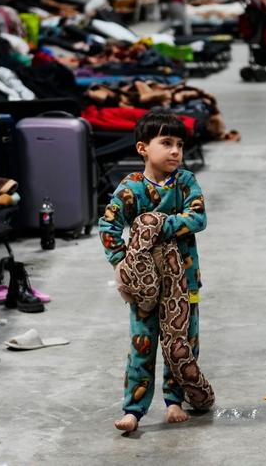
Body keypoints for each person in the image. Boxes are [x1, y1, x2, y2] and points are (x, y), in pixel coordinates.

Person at [99, 112, 208, 433]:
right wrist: (120, 263)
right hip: (144, 284)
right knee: (142, 345)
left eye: (179, 145)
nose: (175, 151)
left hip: (186, 281)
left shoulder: (186, 181)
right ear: (143, 148)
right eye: (166, 143)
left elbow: (198, 218)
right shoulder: (131, 187)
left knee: (182, 343)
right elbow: (109, 224)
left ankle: (174, 400)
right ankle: (133, 410)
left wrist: (156, 223)